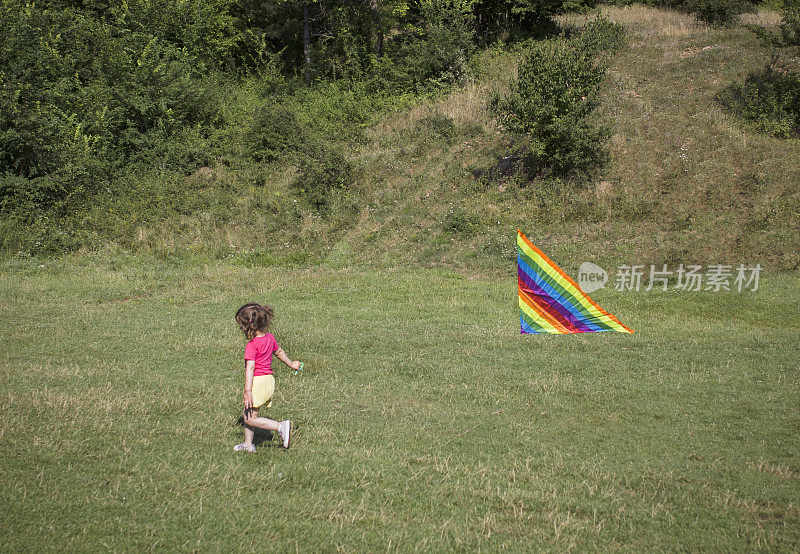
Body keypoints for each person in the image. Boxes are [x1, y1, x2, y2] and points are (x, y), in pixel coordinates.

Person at [233, 302, 302, 452]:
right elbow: (279, 352)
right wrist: (292, 364)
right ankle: (248, 444)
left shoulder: (252, 345)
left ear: (247, 326)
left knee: (249, 418)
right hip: (269, 381)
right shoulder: (270, 338)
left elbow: (250, 368)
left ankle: (280, 427)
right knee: (250, 413)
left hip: (258, 382)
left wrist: (247, 391)